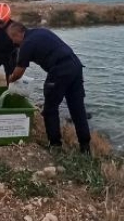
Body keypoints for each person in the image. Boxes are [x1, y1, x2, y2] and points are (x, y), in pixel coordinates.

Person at [6, 22, 91, 154]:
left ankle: (55, 145)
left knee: (50, 109)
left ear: (17, 34)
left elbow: (18, 72)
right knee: (77, 108)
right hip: (75, 66)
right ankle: (85, 148)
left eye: (12, 39)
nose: (13, 42)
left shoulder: (27, 43)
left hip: (60, 69)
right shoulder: (40, 31)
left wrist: (10, 80)